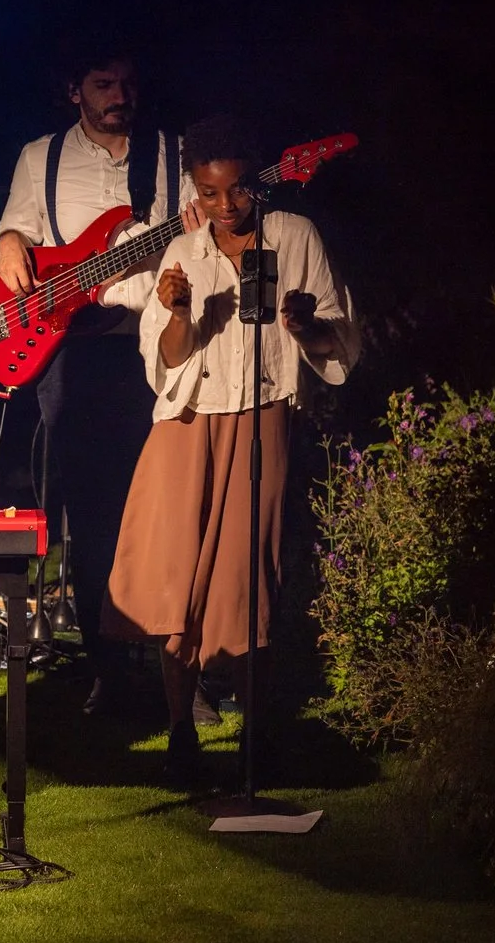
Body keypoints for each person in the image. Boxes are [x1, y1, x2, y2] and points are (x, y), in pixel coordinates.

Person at [107, 114, 359, 779]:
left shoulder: (294, 237)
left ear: (257, 179)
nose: (226, 206)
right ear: (195, 188)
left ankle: (257, 735)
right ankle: (181, 731)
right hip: (186, 426)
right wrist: (183, 314)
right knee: (173, 578)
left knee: (251, 578)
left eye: (238, 189)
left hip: (260, 416)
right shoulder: (183, 252)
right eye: (211, 193)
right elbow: (164, 360)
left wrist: (304, 325)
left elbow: (338, 338)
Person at [0, 39, 188, 715]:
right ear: (75, 89)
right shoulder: (39, 156)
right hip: (77, 349)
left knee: (168, 506)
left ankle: (180, 670)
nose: (119, 95)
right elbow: (14, 234)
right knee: (92, 514)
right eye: (104, 83)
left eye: (128, 83)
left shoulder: (174, 155)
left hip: (163, 343)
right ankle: (109, 667)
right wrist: (8, 241)